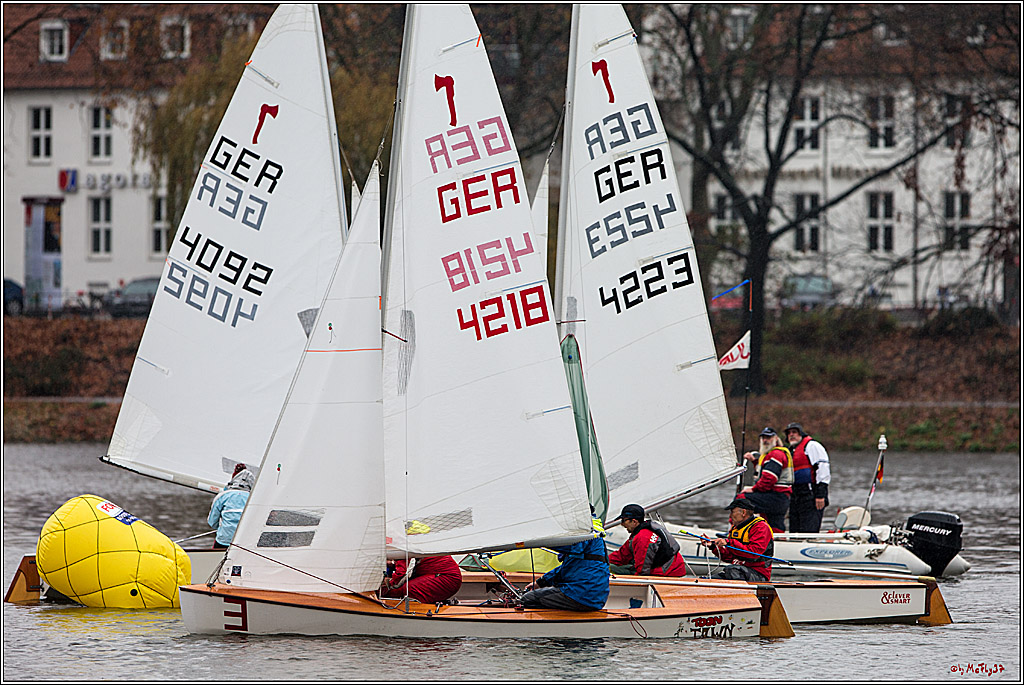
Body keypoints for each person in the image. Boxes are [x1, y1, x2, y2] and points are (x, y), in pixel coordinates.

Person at [520, 515, 609, 611]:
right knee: (539, 596)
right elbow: (566, 567)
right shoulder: (592, 532)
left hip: (581, 594)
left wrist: (538, 539)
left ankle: (549, 624)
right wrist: (540, 582)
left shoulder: (587, 533)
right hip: (589, 595)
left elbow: (571, 546)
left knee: (528, 599)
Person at [701, 498, 774, 581]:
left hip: (758, 574)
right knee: (708, 579)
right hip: (738, 571)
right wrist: (713, 546)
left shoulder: (760, 527)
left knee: (731, 570)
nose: (730, 516)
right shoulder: (735, 529)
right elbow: (729, 557)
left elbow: (754, 554)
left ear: (743, 512)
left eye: (732, 512)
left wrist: (728, 542)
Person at [607, 504, 687, 577]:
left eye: (624, 521)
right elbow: (621, 556)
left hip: (669, 574)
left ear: (634, 521)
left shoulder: (642, 538)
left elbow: (643, 571)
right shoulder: (639, 533)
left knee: (610, 570)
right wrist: (601, 561)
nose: (622, 524)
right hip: (662, 570)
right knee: (607, 567)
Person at [739, 426, 793, 532]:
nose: (765, 440)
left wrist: (753, 489)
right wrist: (755, 461)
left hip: (776, 497)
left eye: (768, 438)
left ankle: (737, 530)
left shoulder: (775, 454)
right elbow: (765, 472)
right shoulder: (772, 455)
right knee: (774, 525)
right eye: (763, 438)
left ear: (776, 439)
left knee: (741, 500)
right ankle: (778, 540)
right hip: (782, 499)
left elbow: (769, 479)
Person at [785, 422, 832, 533]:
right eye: (789, 433)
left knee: (809, 529)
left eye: (795, 432)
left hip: (811, 495)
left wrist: (820, 495)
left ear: (801, 433)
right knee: (795, 530)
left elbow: (823, 469)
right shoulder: (790, 451)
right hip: (796, 496)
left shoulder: (812, 446)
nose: (792, 435)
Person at [208, 463, 255, 549]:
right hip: (245, 543)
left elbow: (212, 522)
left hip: (224, 541)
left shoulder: (222, 496)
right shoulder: (254, 499)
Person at [380, 555, 463, 604]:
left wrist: (384, 585)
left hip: (447, 578)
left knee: (406, 590)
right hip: (443, 576)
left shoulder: (403, 548)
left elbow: (401, 575)